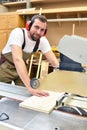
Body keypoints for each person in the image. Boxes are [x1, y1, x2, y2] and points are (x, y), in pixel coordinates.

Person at [0, 15, 59, 97]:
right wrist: (30, 87)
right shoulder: (18, 33)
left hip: (21, 69)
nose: (38, 32)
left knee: (24, 95)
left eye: (42, 30)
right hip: (4, 68)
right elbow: (17, 59)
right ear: (29, 25)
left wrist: (62, 75)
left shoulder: (42, 41)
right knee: (2, 95)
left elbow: (53, 61)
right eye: (36, 27)